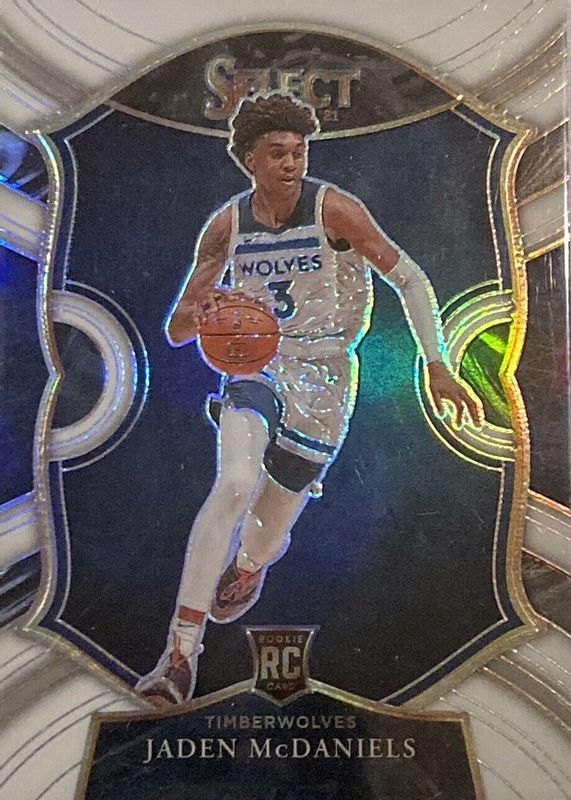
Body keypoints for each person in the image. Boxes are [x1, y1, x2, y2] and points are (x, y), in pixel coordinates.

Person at [136, 92, 481, 706]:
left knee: (267, 533)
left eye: (299, 151)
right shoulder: (226, 225)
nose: (292, 163)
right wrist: (204, 309)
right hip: (259, 368)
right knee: (234, 481)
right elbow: (178, 328)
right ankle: (180, 655)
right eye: (278, 153)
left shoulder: (335, 210)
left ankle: (250, 565)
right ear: (249, 159)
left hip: (325, 378)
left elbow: (409, 277)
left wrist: (435, 362)